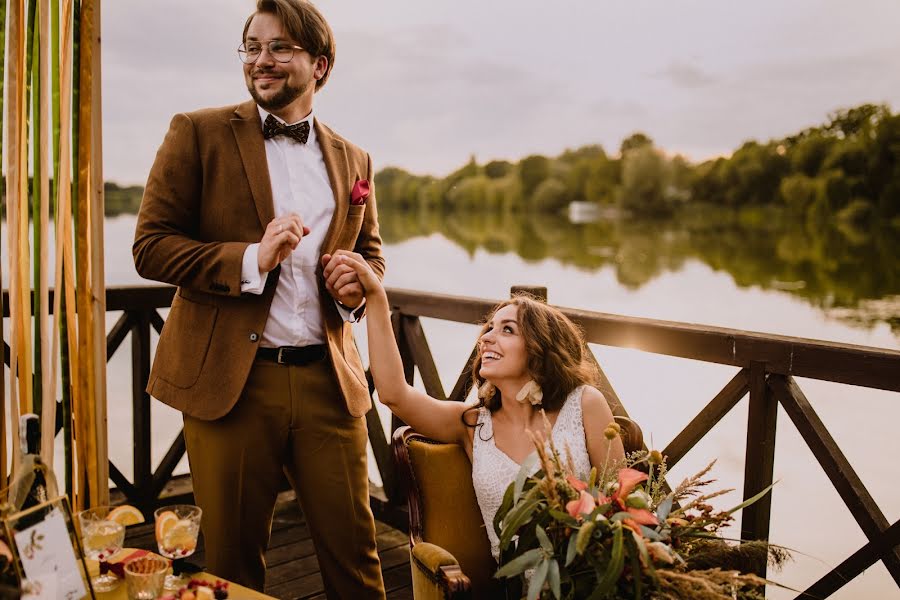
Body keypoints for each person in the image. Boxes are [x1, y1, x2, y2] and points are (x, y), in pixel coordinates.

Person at [132, 1, 385, 596]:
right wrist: (251, 258)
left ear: (319, 65)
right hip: (232, 388)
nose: (261, 61)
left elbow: (371, 254)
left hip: (330, 380)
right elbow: (150, 247)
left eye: (279, 48)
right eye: (252, 47)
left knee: (358, 558)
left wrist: (357, 283)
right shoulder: (197, 132)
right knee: (229, 567)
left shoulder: (355, 159)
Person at [323, 251, 626, 562]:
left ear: (541, 348)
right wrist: (375, 296)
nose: (487, 339)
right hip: (515, 586)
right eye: (489, 329)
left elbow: (623, 507)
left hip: (591, 574)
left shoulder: (585, 404)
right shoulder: (470, 424)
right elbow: (393, 394)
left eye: (507, 330)